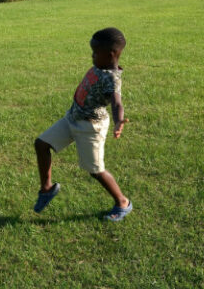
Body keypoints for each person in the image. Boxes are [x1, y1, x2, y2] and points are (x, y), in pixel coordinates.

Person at [33, 27, 132, 221]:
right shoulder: (100, 65)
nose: (92, 55)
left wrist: (119, 119)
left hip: (90, 128)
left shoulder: (112, 78)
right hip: (72, 118)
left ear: (111, 54)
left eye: (95, 52)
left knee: (95, 170)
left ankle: (122, 202)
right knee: (41, 144)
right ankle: (46, 189)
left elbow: (117, 102)